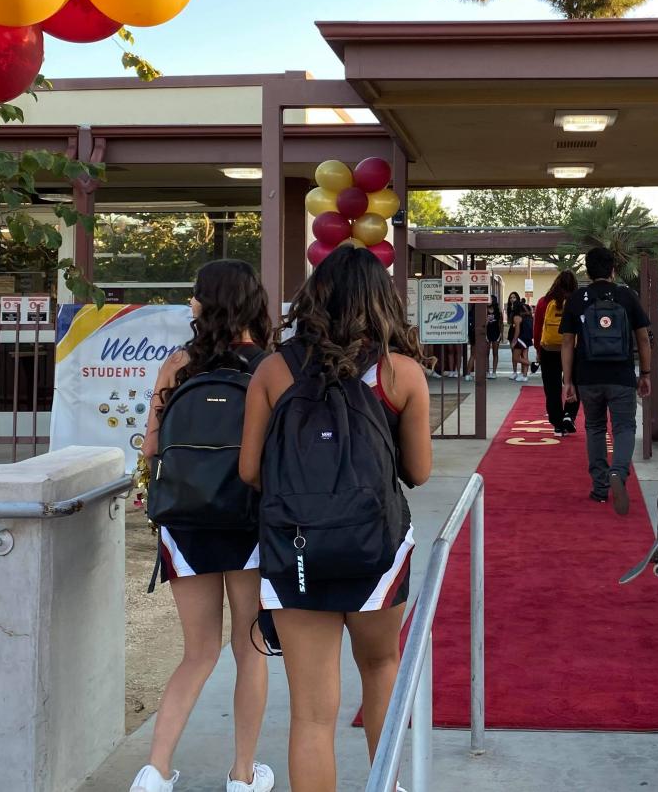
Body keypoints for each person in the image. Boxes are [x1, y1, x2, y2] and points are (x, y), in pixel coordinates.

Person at [238, 248, 433, 792]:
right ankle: (388, 785)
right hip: (376, 550)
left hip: (295, 552)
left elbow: (251, 470)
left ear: (314, 297)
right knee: (380, 668)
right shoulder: (401, 374)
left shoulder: (274, 370)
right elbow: (418, 471)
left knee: (311, 714)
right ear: (381, 302)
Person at [132, 260, 276, 792]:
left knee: (197, 653)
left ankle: (155, 770)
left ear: (206, 302)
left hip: (185, 523)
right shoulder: (269, 367)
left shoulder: (177, 365)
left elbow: (150, 449)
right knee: (250, 648)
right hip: (249, 525)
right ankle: (242, 774)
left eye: (195, 295)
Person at [560, 246, 653, 515]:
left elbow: (567, 341)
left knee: (595, 428)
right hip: (621, 376)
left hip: (588, 376)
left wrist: (568, 380)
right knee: (624, 428)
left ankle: (600, 488)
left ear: (588, 271)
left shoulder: (578, 298)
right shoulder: (627, 296)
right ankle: (619, 473)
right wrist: (645, 374)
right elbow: (644, 338)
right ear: (613, 269)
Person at [534, 270, 580, 436]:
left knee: (552, 388)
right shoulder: (577, 301)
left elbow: (537, 328)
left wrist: (538, 349)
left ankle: (557, 423)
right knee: (574, 383)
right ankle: (569, 415)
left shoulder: (544, 302)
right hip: (573, 350)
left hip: (549, 350)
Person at [507, 291, 533, 382]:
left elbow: (517, 330)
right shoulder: (526, 315)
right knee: (524, 355)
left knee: (516, 357)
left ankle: (533, 365)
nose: (512, 302)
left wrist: (514, 341)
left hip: (521, 338)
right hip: (527, 337)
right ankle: (524, 376)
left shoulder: (516, 317)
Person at [483, 294, 503, 379]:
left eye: (489, 299)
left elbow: (501, 323)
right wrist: (487, 321)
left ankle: (494, 372)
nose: (488, 301)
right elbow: (483, 324)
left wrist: (501, 334)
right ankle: (487, 371)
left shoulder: (498, 311)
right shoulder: (484, 310)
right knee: (486, 353)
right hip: (487, 333)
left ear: (493, 300)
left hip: (496, 333)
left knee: (495, 353)